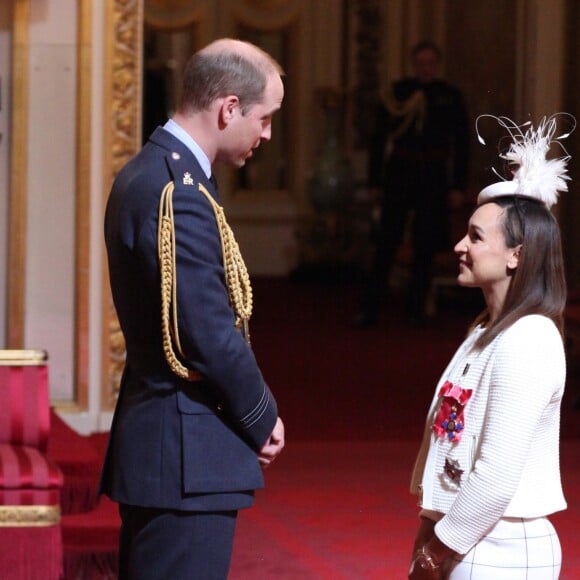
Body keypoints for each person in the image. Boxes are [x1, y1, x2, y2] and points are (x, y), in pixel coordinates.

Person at [99, 38, 285, 579]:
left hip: (170, 446)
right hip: (183, 450)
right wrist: (261, 413)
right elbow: (204, 331)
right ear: (229, 108)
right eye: (265, 118)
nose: (267, 134)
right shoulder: (175, 188)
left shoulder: (163, 172)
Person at [408, 114, 574, 579]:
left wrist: (435, 553)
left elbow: (496, 477)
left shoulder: (529, 339)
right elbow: (447, 439)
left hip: (501, 547)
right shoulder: (486, 330)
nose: (460, 245)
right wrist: (428, 533)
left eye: (476, 237)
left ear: (516, 255)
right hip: (467, 539)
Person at [355, 41, 469, 328]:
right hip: (400, 172)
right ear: (413, 65)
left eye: (431, 63)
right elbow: (379, 140)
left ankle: (416, 309)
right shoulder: (397, 94)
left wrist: (458, 186)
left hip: (433, 175)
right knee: (387, 241)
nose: (425, 68)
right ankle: (370, 308)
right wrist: (375, 180)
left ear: (437, 65)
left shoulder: (450, 96)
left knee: (425, 244)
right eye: (421, 63)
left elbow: (463, 143)